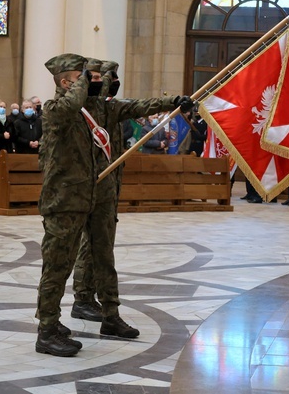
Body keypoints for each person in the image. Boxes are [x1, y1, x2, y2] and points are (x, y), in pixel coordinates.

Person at [35, 53, 194, 357]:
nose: (97, 82)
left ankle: (110, 315)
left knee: (103, 255)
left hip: (92, 198)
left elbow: (138, 106)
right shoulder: (54, 109)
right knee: (56, 267)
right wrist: (83, 82)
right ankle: (47, 330)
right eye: (87, 77)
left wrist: (176, 100)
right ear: (68, 81)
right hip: (63, 201)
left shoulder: (97, 109)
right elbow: (70, 106)